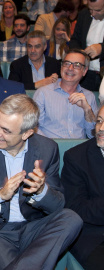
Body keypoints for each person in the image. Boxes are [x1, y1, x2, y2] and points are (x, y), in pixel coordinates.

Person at [0, 93, 83, 269]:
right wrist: (0, 195)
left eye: (6, 130)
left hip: (32, 229)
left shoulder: (47, 149)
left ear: (27, 133)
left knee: (72, 219)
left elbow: (58, 205)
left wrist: (42, 191)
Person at [61, 105, 104, 269]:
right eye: (99, 121)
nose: (101, 128)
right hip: (95, 236)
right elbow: (76, 208)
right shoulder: (76, 158)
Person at [33, 49, 98, 139]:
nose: (70, 68)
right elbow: (34, 128)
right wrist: (52, 146)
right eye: (67, 63)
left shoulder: (89, 96)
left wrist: (87, 109)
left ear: (84, 71)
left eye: (77, 65)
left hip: (79, 149)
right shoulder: (43, 93)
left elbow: (93, 135)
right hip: (51, 148)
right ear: (61, 67)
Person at [69, 0, 104, 92]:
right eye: (90, 9)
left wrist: (101, 48)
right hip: (86, 73)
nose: (92, 14)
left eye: (98, 10)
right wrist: (80, 52)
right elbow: (75, 39)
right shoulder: (84, 14)